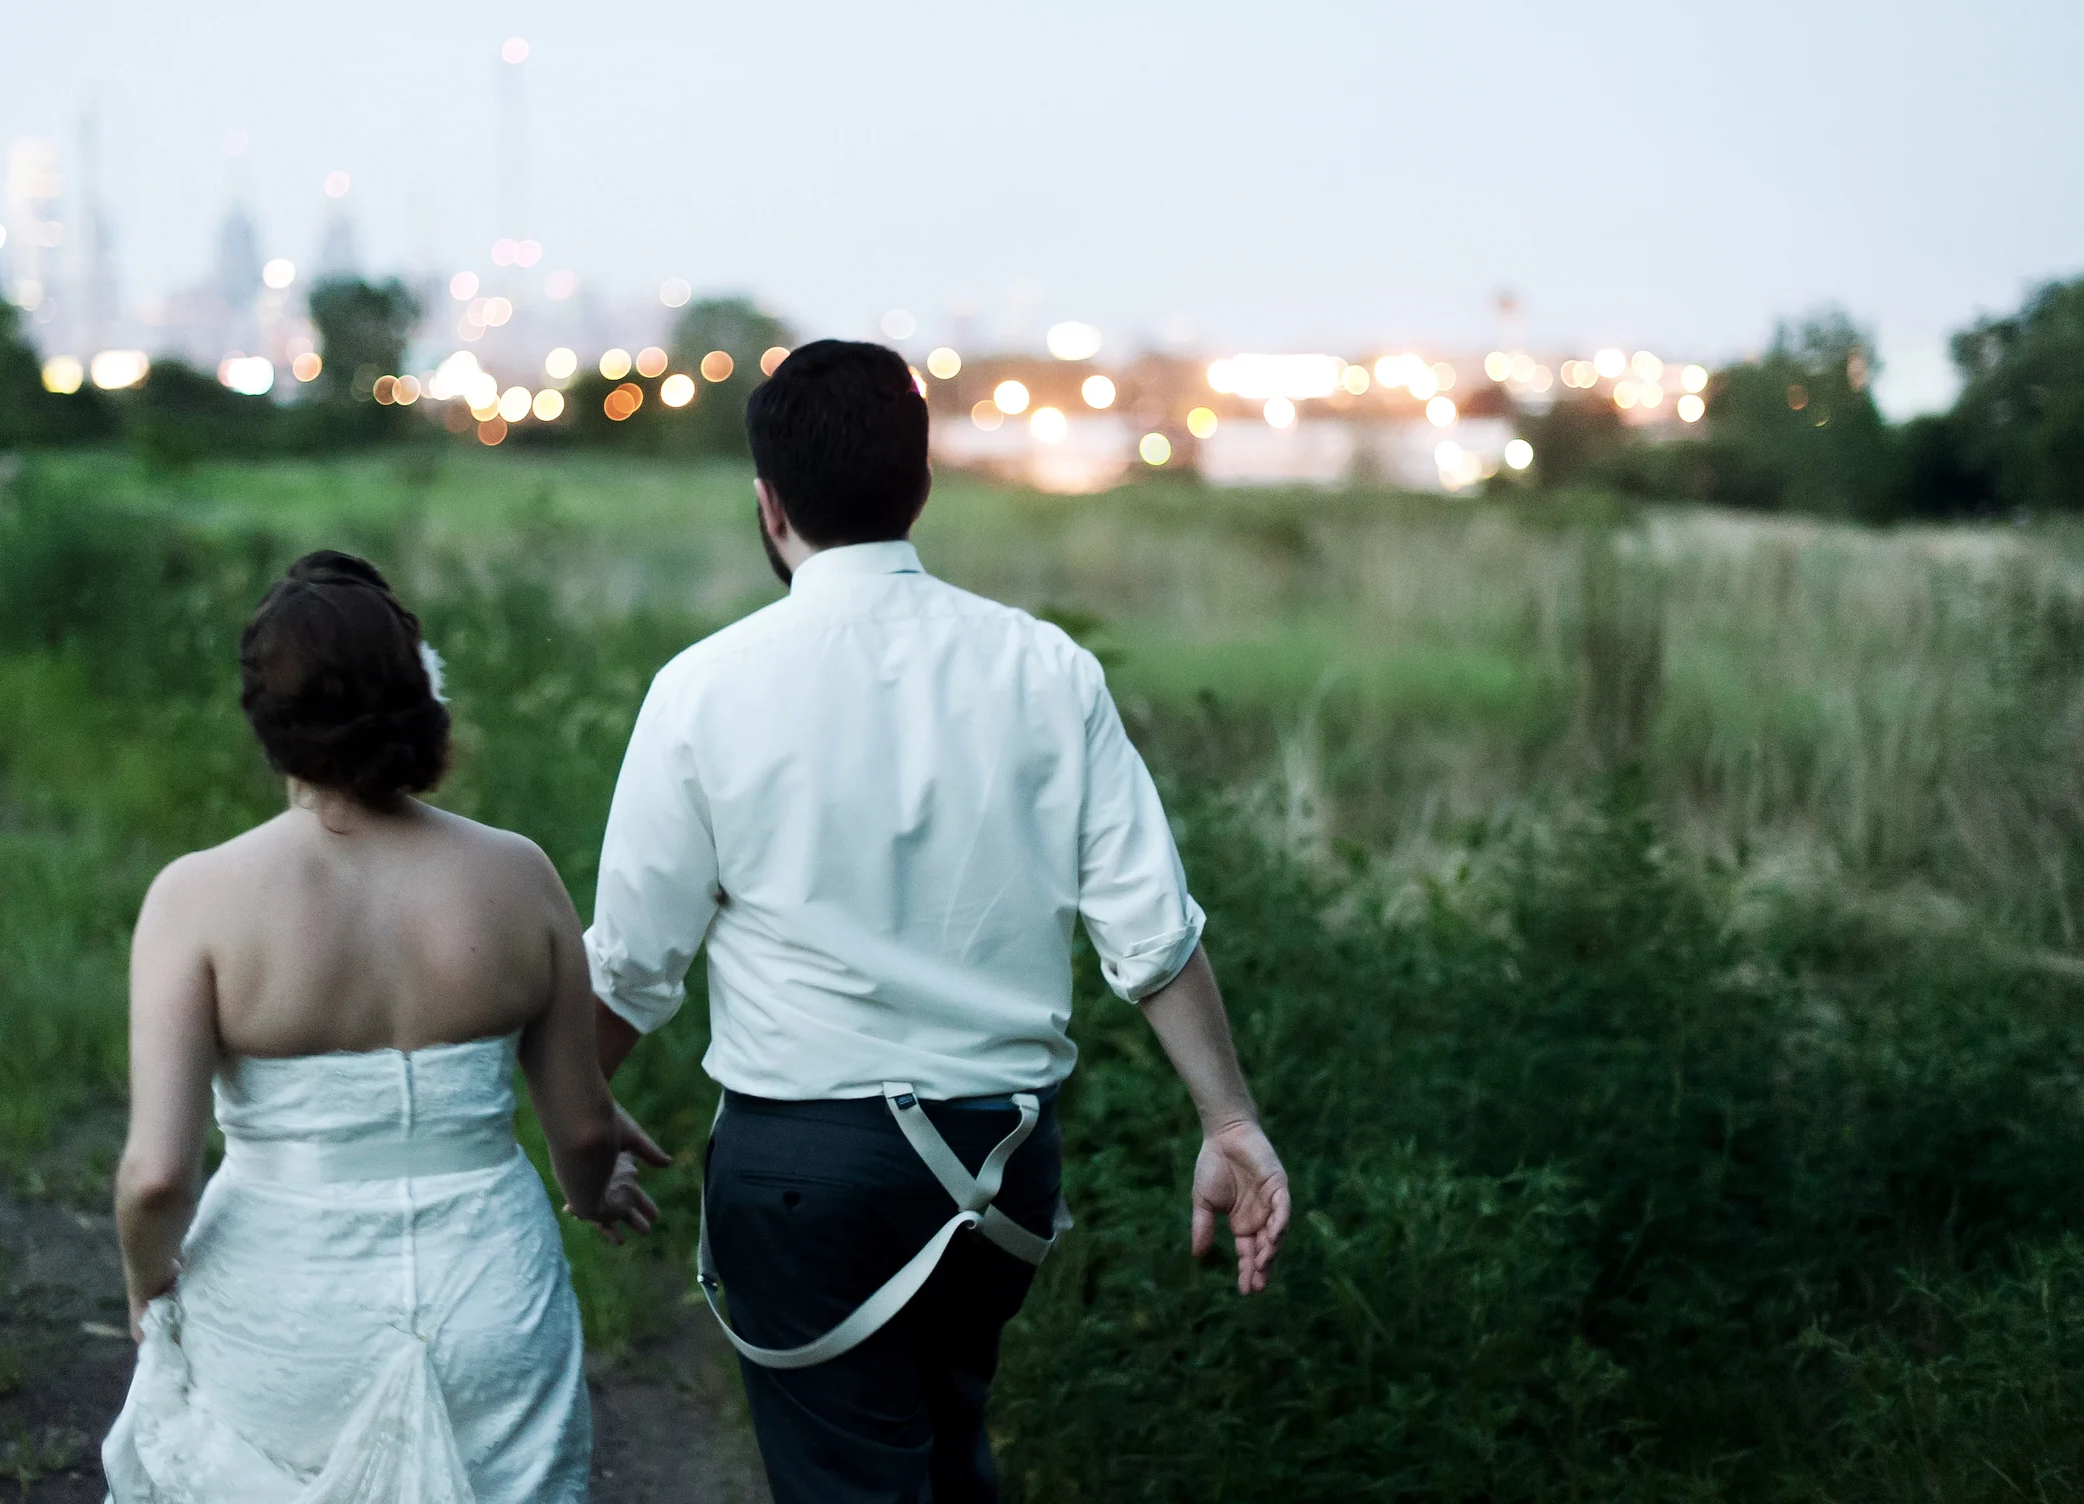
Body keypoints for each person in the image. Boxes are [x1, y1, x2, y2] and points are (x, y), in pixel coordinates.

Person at [584, 341, 1291, 1503]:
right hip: (999, 1167)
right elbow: (1152, 935)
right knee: (946, 1456)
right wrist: (1229, 1119)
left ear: (768, 504)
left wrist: (576, 1111)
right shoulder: (1045, 668)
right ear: (920, 485)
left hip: (802, 1173)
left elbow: (630, 966)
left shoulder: (704, 687)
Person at [103, 551, 664, 1504]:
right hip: (488, 1292)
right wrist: (593, 1190)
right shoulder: (517, 876)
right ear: (421, 700)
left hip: (284, 1305)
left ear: (264, 721)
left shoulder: (195, 899)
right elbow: (580, 1126)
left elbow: (157, 1175)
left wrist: (145, 1287)